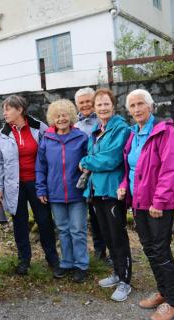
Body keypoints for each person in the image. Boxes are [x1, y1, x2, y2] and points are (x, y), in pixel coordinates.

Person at [118, 89, 174, 320]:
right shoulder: (133, 133)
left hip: (158, 203)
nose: (136, 109)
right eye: (132, 106)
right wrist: (123, 185)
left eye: (140, 104)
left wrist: (159, 201)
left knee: (161, 250)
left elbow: (169, 169)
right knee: (149, 249)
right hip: (138, 202)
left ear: (150, 106)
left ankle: (173, 302)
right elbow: (130, 167)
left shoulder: (163, 131)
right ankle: (163, 292)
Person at [0, 94, 59, 276]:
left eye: (7, 108)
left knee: (45, 221)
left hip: (37, 183)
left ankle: (53, 260)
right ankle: (24, 260)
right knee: (19, 223)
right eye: (3, 109)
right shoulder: (3, 134)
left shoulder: (40, 128)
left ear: (19, 110)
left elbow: (51, 153)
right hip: (14, 185)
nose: (4, 113)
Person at [79, 88, 132, 302]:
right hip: (96, 190)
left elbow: (111, 159)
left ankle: (126, 281)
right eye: (98, 104)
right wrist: (91, 159)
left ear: (113, 105)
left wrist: (85, 162)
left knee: (118, 237)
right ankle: (117, 272)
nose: (102, 107)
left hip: (112, 191)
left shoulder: (121, 128)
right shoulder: (98, 130)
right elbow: (95, 155)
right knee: (108, 236)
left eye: (105, 103)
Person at [36, 99, 89, 282]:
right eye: (57, 116)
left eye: (65, 115)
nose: (61, 119)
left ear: (71, 116)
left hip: (77, 193)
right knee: (63, 230)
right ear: (52, 119)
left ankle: (82, 265)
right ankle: (66, 263)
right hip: (55, 193)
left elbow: (88, 161)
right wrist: (41, 189)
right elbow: (41, 167)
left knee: (78, 230)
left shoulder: (81, 137)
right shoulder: (47, 139)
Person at [74, 87, 110, 264]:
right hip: (85, 178)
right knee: (93, 216)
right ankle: (99, 252)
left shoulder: (103, 121)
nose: (86, 105)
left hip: (104, 175)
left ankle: (113, 251)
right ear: (77, 105)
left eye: (89, 101)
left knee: (106, 216)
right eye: (82, 102)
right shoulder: (75, 126)